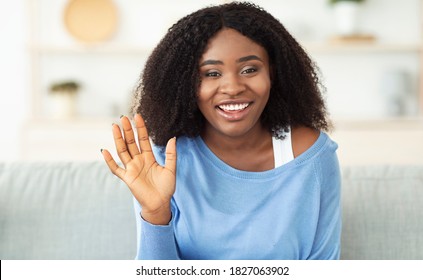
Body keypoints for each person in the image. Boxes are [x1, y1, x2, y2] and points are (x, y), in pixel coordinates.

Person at [101, 1, 341, 260]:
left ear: (273, 72)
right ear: (185, 84)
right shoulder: (163, 158)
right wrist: (156, 214)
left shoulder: (312, 156)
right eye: (212, 73)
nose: (233, 87)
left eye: (250, 69)